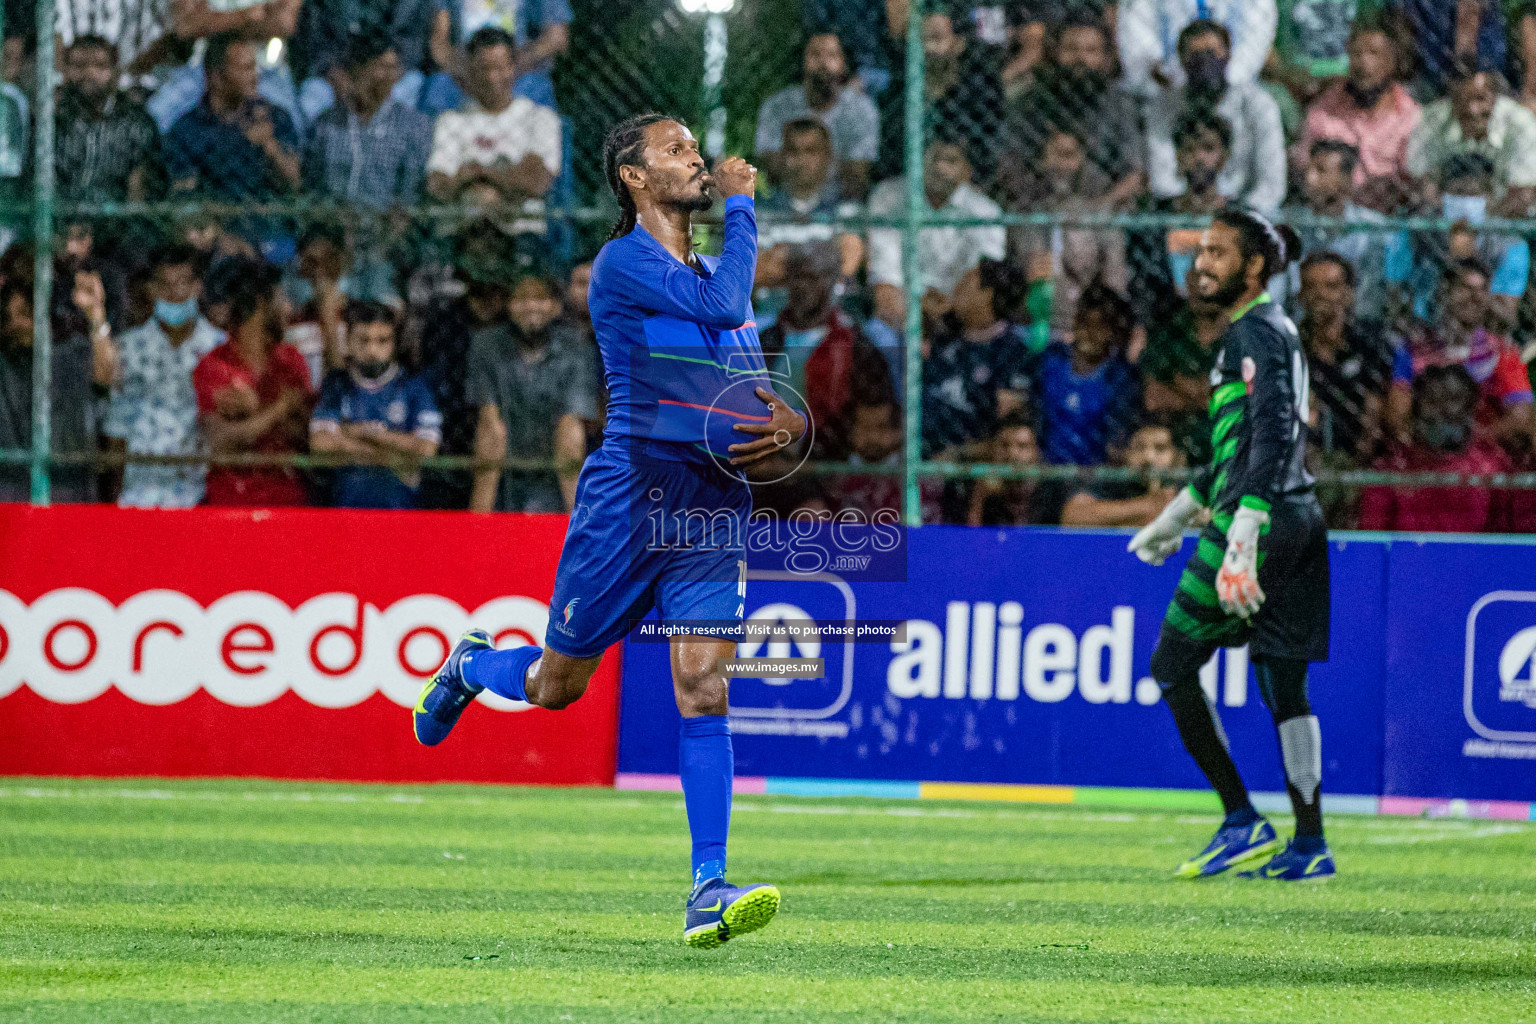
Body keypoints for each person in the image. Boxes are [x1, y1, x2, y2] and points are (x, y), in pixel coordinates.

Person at [411, 116, 803, 948]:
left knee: (703, 686)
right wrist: (743, 208)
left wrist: (782, 438)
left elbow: (750, 402)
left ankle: (708, 887)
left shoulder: (714, 284)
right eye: (676, 150)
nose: (696, 158)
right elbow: (727, 299)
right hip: (628, 504)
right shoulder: (622, 265)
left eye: (697, 148)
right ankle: (473, 666)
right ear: (632, 176)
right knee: (558, 687)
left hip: (708, 509)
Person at [1128, 208, 1336, 882]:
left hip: (1264, 521)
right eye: (1201, 251)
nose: (1202, 263)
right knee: (1283, 683)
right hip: (1299, 516)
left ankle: (1241, 817)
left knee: (1171, 663)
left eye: (1218, 252)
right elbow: (1237, 450)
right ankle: (1310, 845)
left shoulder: (1252, 331)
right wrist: (1173, 518)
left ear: (1253, 268)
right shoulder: (1274, 330)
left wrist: (1243, 528)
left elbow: (1275, 430)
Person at [104, 244, 224, 508]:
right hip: (139, 493)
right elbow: (117, 428)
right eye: (165, 285)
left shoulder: (219, 348)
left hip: (199, 494)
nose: (174, 294)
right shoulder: (128, 347)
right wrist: (114, 493)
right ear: (153, 289)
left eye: (182, 284)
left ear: (197, 287)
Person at [466, 273, 598, 513]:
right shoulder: (485, 346)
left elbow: (572, 418)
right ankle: (478, 526)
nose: (530, 306)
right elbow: (489, 414)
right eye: (521, 298)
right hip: (506, 465)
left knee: (571, 431)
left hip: (555, 466)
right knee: (490, 429)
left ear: (555, 306)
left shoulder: (577, 347)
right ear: (508, 306)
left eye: (539, 298)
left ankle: (577, 523)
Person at [193, 259, 314, 506]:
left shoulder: (290, 361)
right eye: (280, 299)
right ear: (260, 303)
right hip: (231, 494)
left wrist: (253, 413)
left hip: (285, 492)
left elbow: (307, 437)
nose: (288, 307)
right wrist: (279, 409)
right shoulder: (214, 366)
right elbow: (219, 444)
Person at [999, 15, 1148, 210]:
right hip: (1038, 209)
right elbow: (1010, 166)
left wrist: (1094, 208)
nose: (1080, 58)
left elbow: (1136, 175)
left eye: (1091, 50)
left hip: (1103, 210)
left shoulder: (1120, 104)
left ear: (1104, 57)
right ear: (1055, 52)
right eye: (1070, 49)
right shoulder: (1030, 102)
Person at [1388, 258, 1533, 453]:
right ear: (1445, 292)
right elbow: (1397, 414)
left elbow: (1520, 416)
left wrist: (1467, 443)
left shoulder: (1503, 353)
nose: (1474, 297)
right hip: (1423, 451)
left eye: (1482, 290)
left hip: (1482, 456)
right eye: (1465, 288)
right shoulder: (1414, 349)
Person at [425, 27, 561, 233]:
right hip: (460, 237)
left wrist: (476, 175)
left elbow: (536, 183)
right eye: (483, 69)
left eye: (500, 68)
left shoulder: (539, 118)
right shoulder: (451, 121)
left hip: (520, 235)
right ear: (469, 70)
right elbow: (438, 185)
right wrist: (507, 176)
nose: (492, 78)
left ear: (513, 68)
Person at [1144, 20, 1287, 214]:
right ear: (1181, 59)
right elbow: (1163, 179)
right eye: (1195, 55)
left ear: (1228, 55)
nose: (1204, 62)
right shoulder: (1164, 105)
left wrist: (1236, 211)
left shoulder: (1258, 104)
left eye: (1213, 53)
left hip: (1244, 212)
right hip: (1181, 210)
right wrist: (1189, 205)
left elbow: (1272, 185)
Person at [310, 301, 441, 509]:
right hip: (346, 514)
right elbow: (322, 444)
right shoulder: (337, 383)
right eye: (363, 340)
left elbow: (425, 449)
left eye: (382, 341)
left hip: (402, 514)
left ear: (394, 343)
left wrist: (359, 432)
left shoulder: (414, 386)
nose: (372, 350)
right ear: (349, 342)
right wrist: (395, 454)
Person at [0, 271, 117, 502]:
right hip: (9, 498)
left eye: (24, 314)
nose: (16, 324)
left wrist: (96, 315)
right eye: (6, 318)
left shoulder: (72, 355)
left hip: (70, 494)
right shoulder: (4, 364)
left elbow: (105, 374)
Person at [1002, 125, 1129, 337]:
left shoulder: (1100, 218)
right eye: (1055, 155)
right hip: (1028, 328)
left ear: (1081, 161)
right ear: (1041, 160)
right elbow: (1004, 281)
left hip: (1081, 330)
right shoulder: (1021, 217)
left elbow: (1115, 284)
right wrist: (1023, 277)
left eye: (1069, 156)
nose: (1062, 166)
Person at [1359, 363, 1516, 532]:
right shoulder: (1391, 472)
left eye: (1454, 399)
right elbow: (1370, 544)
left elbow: (1509, 544)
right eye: (1434, 400)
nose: (1446, 411)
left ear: (1471, 406)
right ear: (1417, 406)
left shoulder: (1491, 469)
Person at [867, 140, 1006, 329]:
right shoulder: (888, 196)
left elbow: (981, 284)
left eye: (950, 161)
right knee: (881, 323)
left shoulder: (985, 212)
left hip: (958, 313)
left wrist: (948, 304)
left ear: (967, 170)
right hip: (902, 307)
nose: (940, 167)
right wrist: (919, 305)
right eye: (934, 159)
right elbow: (885, 279)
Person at [302, 34, 435, 211]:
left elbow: (410, 194)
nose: (385, 76)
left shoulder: (413, 125)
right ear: (357, 69)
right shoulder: (327, 124)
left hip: (385, 224)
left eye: (391, 68)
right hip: (332, 223)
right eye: (379, 66)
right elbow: (312, 183)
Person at [162, 33, 302, 202]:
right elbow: (183, 193)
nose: (255, 76)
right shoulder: (187, 129)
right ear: (216, 77)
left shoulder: (274, 118)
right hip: (212, 222)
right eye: (246, 68)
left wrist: (269, 145)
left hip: (268, 222)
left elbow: (295, 184)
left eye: (254, 67)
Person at [1298, 20, 1421, 209]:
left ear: (1392, 61)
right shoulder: (1326, 109)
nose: (1363, 62)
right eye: (1356, 53)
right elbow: (1304, 164)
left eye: (1373, 53)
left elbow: (1412, 181)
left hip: (1386, 217)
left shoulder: (1409, 116)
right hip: (1329, 212)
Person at [921, 258, 1034, 457]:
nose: (956, 288)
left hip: (964, 467)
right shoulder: (946, 334)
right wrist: (922, 309)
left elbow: (1004, 437)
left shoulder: (1012, 353)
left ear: (986, 295)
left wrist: (959, 455)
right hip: (919, 452)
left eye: (966, 282)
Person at [1276, 140, 1396, 319]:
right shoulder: (1292, 224)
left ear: (1346, 180)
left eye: (1321, 171)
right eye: (1308, 170)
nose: (1309, 179)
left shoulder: (1373, 229)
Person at [753, 32, 879, 201]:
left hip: (840, 201)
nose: (823, 63)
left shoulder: (861, 109)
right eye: (815, 54)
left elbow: (857, 174)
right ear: (803, 61)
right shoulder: (777, 106)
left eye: (832, 55)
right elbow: (773, 169)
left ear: (844, 64)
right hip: (785, 199)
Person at [1406, 58, 1536, 218]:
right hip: (1443, 221)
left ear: (1495, 98)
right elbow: (1421, 185)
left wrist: (1475, 221)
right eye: (1463, 99)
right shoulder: (1431, 122)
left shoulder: (1520, 124)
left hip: (1504, 224)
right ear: (1452, 99)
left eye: (1480, 99)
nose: (1472, 109)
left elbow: (1523, 194)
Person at [1296, 252, 1394, 461]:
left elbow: (1374, 410)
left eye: (1331, 286)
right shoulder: (1288, 346)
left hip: (1362, 456)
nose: (1320, 294)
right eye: (1311, 286)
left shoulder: (1369, 343)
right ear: (1300, 295)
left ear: (1348, 294)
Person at [1031, 284, 1141, 466]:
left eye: (1100, 326)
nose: (1090, 333)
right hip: (1044, 468)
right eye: (1084, 322)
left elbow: (1118, 439)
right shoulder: (1050, 361)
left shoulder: (1120, 377)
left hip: (1097, 473)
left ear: (1113, 331)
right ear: (1075, 322)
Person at [55, 34, 161, 205]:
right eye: (79, 65)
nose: (89, 73)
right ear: (65, 70)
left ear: (114, 72)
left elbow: (138, 192)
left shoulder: (134, 122)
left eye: (100, 66)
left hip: (116, 224)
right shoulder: (54, 122)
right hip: (62, 221)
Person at [1117, 0, 1277, 97]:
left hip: (1234, 92)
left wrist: (1224, 82)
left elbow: (1254, 43)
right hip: (1163, 94)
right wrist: (1179, 81)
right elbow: (1137, 45)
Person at [1060, 418, 1185, 526]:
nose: (1149, 457)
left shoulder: (1190, 485)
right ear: (1127, 454)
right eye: (1139, 448)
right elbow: (1073, 516)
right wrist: (1146, 505)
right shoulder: (1116, 483)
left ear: (1179, 457)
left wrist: (1118, 520)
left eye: (1160, 448)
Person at [964, 412, 1055, 526]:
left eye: (1022, 446)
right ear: (993, 450)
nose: (1012, 454)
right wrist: (980, 498)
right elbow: (971, 539)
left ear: (1035, 452)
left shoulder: (1052, 493)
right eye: (1004, 445)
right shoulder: (981, 491)